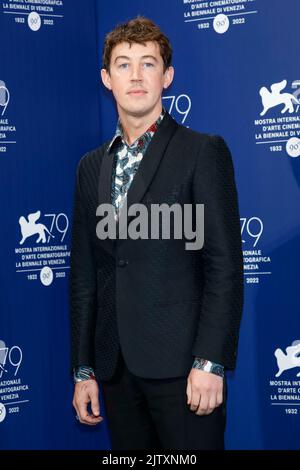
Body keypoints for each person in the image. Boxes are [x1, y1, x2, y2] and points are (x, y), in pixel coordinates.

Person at [70, 16, 244, 450]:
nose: (136, 76)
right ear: (106, 79)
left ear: (167, 76)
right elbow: (85, 276)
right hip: (116, 371)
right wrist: (84, 369)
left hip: (185, 371)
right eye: (123, 64)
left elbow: (223, 265)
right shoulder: (91, 166)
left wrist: (211, 362)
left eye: (148, 64)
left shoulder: (202, 152)